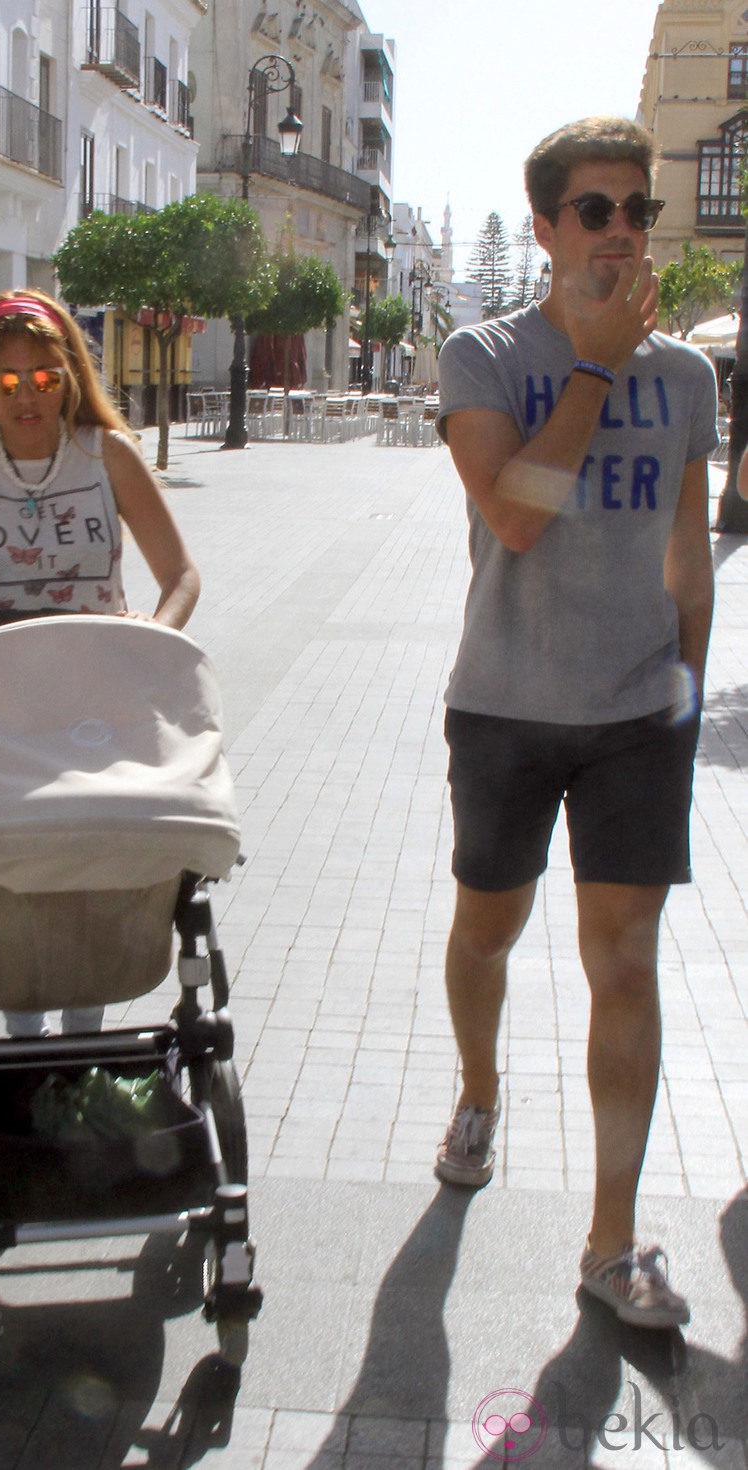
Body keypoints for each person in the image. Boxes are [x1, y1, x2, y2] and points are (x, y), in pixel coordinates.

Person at [433, 118, 716, 1330]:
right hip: (503, 705)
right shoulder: (481, 354)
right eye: (592, 211)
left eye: (635, 211)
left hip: (633, 717)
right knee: (486, 933)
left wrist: (688, 685)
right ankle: (478, 1087)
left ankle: (611, 1240)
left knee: (624, 967)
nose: (618, 233)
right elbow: (512, 518)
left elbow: (686, 544)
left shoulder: (689, 378)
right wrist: (593, 366)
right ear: (544, 228)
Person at [0, 287, 200, 1037]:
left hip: (99, 693)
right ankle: (22, 1040)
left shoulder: (107, 456)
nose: (25, 395)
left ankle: (83, 1039)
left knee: (92, 852)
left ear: (69, 376)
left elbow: (181, 577)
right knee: (13, 863)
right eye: (6, 380)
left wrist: (153, 634)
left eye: (43, 377)